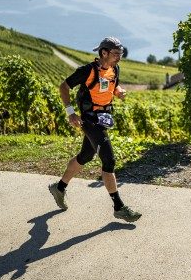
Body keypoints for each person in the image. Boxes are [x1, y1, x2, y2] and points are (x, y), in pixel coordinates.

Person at [48, 37, 141, 222]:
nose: (119, 58)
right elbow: (63, 87)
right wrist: (70, 113)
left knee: (85, 156)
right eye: (116, 54)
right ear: (104, 53)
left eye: (120, 54)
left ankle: (59, 188)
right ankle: (119, 207)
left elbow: (112, 85)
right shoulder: (87, 71)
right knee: (109, 160)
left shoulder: (115, 69)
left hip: (103, 119)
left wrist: (119, 91)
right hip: (90, 120)